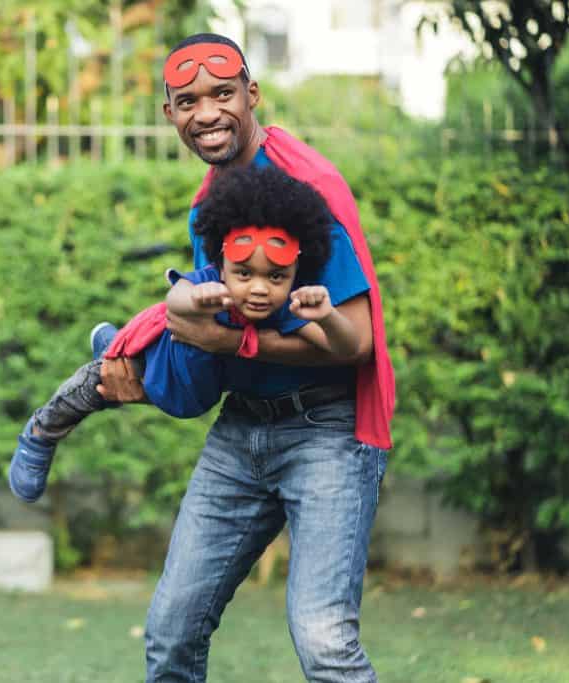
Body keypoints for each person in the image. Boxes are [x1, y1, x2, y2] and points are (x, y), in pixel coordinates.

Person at [94, 34, 396, 682]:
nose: (206, 112)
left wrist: (237, 341)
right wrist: (148, 366)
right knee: (171, 633)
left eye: (222, 94)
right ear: (168, 113)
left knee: (325, 642)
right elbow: (208, 341)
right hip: (242, 429)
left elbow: (360, 340)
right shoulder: (208, 207)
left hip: (326, 432)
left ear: (252, 95)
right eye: (187, 100)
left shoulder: (308, 187)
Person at [9, 165, 361, 504]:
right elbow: (174, 301)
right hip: (159, 365)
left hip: (191, 395)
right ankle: (38, 435)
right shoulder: (207, 284)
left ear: (296, 273)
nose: (259, 288)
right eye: (243, 274)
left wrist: (328, 315)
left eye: (275, 277)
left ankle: (107, 340)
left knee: (132, 372)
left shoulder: (290, 307)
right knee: (92, 385)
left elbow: (346, 347)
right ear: (221, 266)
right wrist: (197, 300)